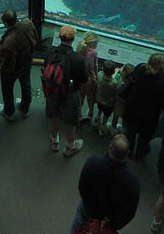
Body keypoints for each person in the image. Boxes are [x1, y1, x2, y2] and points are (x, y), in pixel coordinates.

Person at [70, 134, 140, 234]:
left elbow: (82, 187)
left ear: (110, 147)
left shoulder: (92, 163)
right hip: (109, 220)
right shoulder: (132, 181)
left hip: (88, 209)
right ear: (127, 152)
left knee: (79, 222)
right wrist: (113, 223)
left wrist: (90, 209)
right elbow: (130, 211)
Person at [119, 53, 164, 158]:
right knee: (144, 137)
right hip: (148, 116)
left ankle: (127, 151)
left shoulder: (141, 68)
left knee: (130, 132)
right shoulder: (163, 82)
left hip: (132, 109)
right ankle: (140, 153)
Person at [42, 24, 88, 157]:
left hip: (51, 91)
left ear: (59, 37)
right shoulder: (78, 59)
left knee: (52, 116)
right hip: (69, 94)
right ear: (73, 39)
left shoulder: (50, 51)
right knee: (70, 121)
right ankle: (69, 147)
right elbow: (84, 79)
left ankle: (54, 141)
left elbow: (46, 67)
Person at [0, 11, 37, 121]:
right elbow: (34, 39)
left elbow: (6, 60)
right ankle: (25, 108)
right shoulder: (27, 24)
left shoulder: (8, 41)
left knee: (7, 90)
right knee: (26, 85)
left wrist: (3, 69)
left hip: (11, 70)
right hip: (26, 63)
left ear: (5, 23)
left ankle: (9, 113)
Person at [77, 32, 98, 122]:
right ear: (93, 43)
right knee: (90, 98)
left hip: (80, 79)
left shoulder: (80, 48)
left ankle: (79, 115)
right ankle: (90, 114)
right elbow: (95, 66)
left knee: (80, 97)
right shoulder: (93, 52)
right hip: (90, 80)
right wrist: (96, 77)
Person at [92, 60, 117, 135]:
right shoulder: (114, 82)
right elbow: (114, 89)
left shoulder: (99, 75)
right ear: (113, 72)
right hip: (108, 103)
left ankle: (97, 116)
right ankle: (103, 125)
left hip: (99, 99)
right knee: (106, 114)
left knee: (100, 108)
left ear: (103, 69)